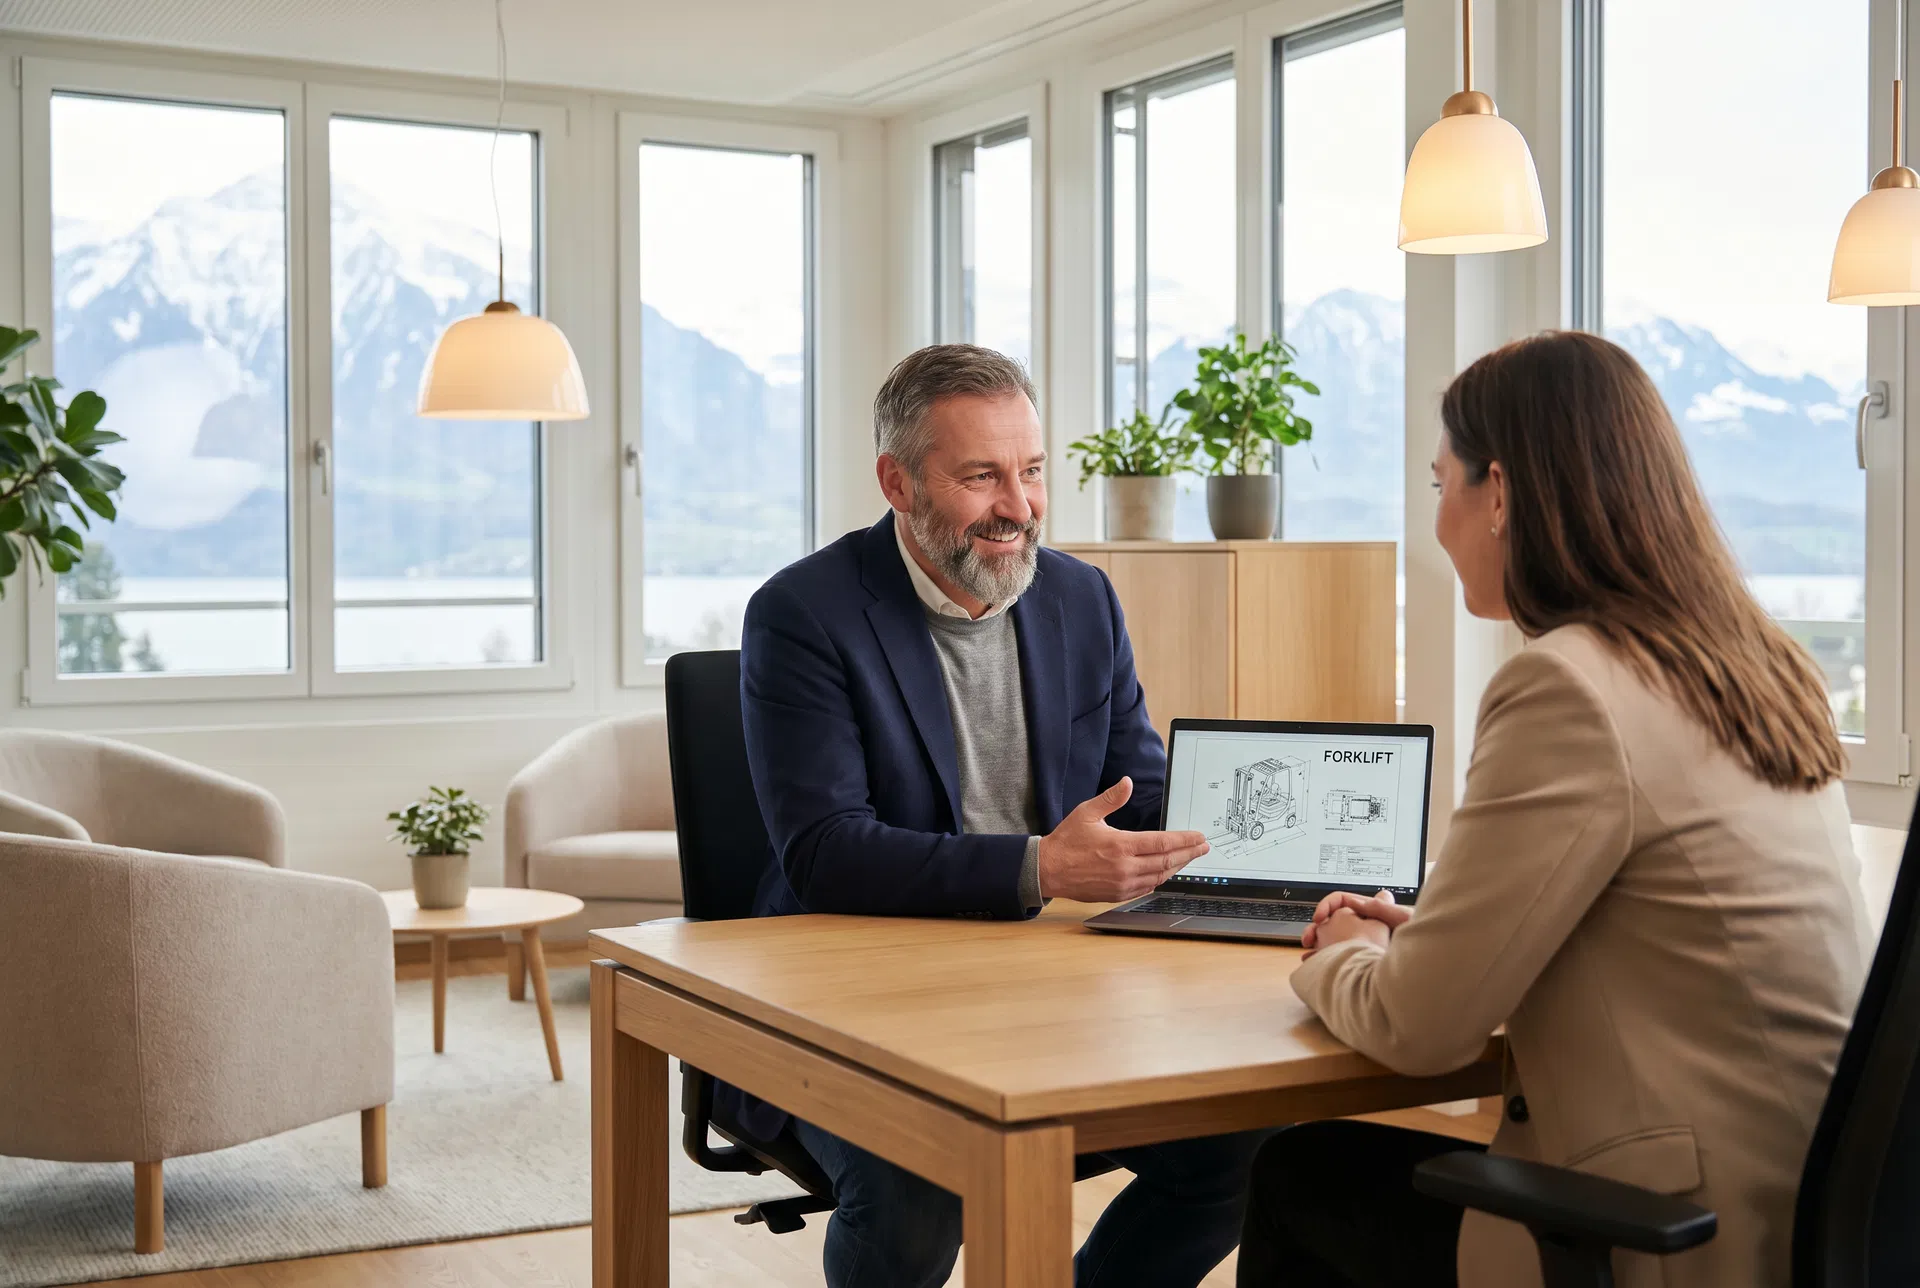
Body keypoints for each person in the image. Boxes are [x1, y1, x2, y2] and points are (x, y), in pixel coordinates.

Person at [1237, 331, 1872, 1288]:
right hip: (1811, 1218)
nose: (1439, 523)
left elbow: (1419, 1030)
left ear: (1500, 494)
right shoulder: (1758, 665)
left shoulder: (1570, 686)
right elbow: (1661, 936)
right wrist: (1441, 937)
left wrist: (1339, 958)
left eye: (1440, 484)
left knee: (1300, 1172)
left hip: (1667, 1236)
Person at [735, 343, 1268, 1288]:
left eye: (1030, 472)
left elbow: (1135, 791)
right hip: (849, 995)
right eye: (980, 476)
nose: (1019, 508)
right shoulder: (802, 614)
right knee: (915, 1183)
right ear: (897, 482)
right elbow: (825, 854)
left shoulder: (1080, 596)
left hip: (1046, 987)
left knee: (1244, 1148)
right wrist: (1040, 869)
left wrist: (1285, 837)